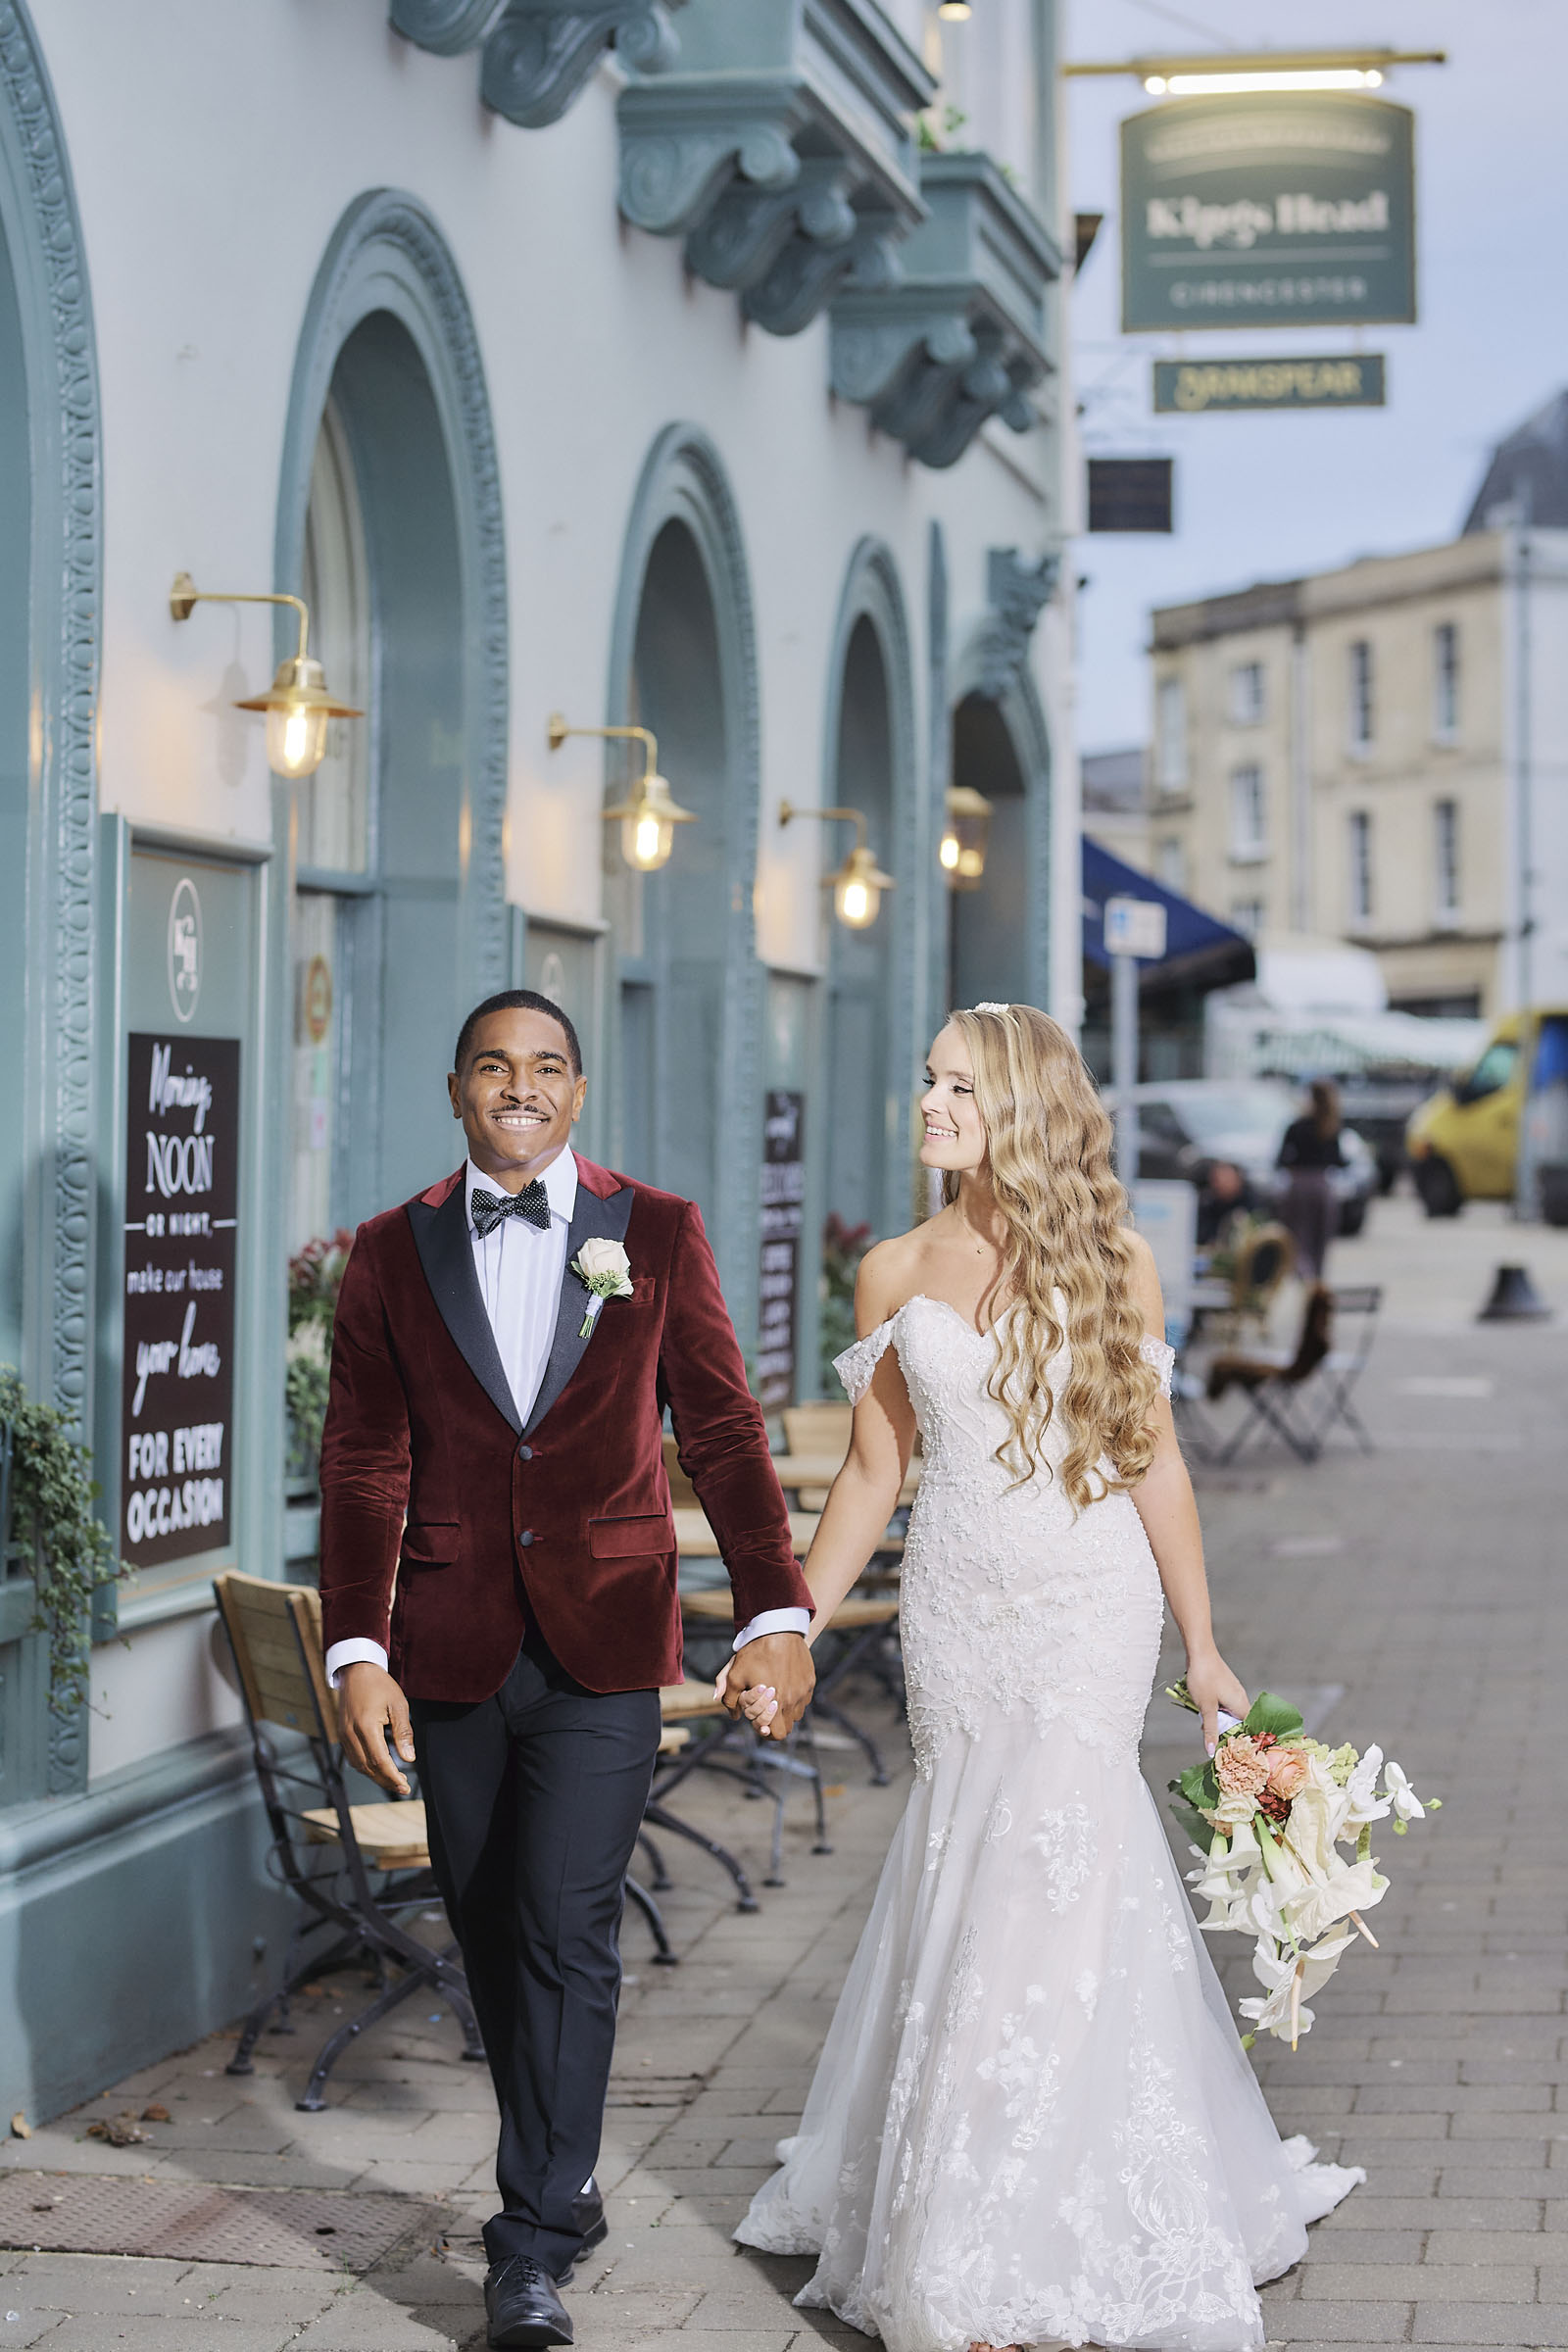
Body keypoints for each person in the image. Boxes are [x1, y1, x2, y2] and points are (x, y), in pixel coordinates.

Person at [729, 1003, 1361, 2352]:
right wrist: (781, 1621)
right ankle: (960, 2210)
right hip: (960, 1603)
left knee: (1061, 1872)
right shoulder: (892, 1268)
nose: (929, 1103)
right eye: (926, 1079)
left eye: (956, 1084)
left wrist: (1202, 1648)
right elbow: (874, 1474)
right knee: (974, 1864)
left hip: (1088, 1598)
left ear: (1019, 1103)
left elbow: (1154, 1460)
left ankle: (1034, 2223)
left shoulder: (1113, 1260)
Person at [317, 990, 815, 2351]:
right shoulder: (385, 1254)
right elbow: (364, 1460)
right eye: (494, 1066)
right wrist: (356, 1646)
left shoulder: (656, 1233)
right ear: (457, 1087)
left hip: (606, 1638)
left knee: (566, 1920)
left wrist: (776, 1610)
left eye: (545, 1068)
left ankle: (528, 2236)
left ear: (578, 1094)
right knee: (485, 1924)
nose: (519, 1087)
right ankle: (568, 2184)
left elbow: (718, 1429)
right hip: (452, 1646)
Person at [1275, 1078, 1346, 1281]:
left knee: (1297, 1237)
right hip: (1322, 1185)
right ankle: (1316, 1281)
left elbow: (1280, 1159)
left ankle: (1304, 1278)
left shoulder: (1297, 1126)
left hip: (1298, 1184)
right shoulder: (1331, 1127)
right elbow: (1339, 1160)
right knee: (1320, 1240)